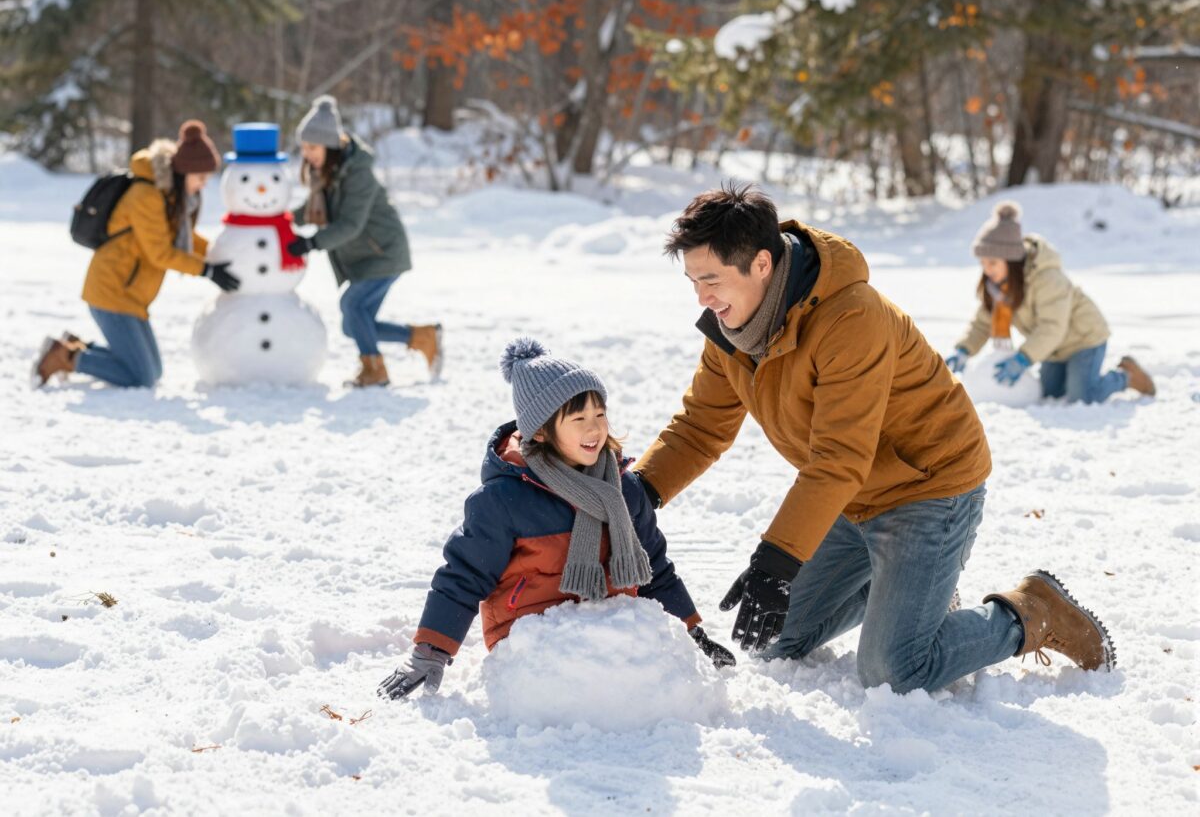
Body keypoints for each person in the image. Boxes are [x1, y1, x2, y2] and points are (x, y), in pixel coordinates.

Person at [632, 182, 1114, 695]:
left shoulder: (850, 317)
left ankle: (1032, 611)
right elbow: (701, 427)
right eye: (693, 281)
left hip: (928, 485)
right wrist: (636, 492)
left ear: (762, 264)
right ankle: (907, 598)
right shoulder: (733, 330)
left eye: (711, 280)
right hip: (852, 494)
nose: (702, 298)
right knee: (774, 639)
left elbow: (839, 457)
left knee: (894, 671)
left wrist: (776, 559)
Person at [377, 338, 734, 700]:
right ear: (541, 431)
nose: (594, 429)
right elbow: (464, 576)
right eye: (578, 419)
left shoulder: (623, 490)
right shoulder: (503, 500)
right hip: (533, 644)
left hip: (613, 634)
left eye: (600, 415)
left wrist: (690, 633)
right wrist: (431, 650)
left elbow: (655, 569)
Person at [33, 120, 240, 389]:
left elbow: (185, 237)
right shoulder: (147, 196)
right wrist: (207, 270)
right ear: (184, 172)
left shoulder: (168, 196)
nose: (202, 185)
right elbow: (160, 253)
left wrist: (220, 252)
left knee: (153, 371)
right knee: (141, 377)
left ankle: (74, 346)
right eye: (200, 178)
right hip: (112, 292)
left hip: (130, 296)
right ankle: (66, 357)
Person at [286, 95, 441, 388]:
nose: (306, 154)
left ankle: (374, 370)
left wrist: (310, 243)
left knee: (352, 305)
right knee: (353, 324)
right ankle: (422, 337)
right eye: (304, 147)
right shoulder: (328, 172)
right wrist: (283, 219)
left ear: (330, 145)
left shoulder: (359, 174)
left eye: (312, 147)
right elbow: (314, 209)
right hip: (364, 257)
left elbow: (350, 225)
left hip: (384, 252)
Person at [945, 201, 1155, 403]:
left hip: (1085, 339)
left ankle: (1126, 376)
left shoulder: (1047, 278)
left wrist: (1023, 358)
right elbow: (983, 323)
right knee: (1049, 394)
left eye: (992, 262)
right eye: (983, 263)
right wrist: (963, 350)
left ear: (1011, 260)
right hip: (1054, 348)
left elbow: (1052, 327)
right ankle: (1072, 374)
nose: (987, 269)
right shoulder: (999, 287)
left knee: (1082, 397)